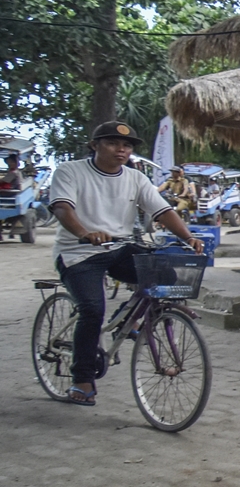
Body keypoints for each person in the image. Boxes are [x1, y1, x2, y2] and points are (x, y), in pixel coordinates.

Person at [48, 121, 207, 406]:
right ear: (94, 146)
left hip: (119, 247)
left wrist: (188, 237)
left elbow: (162, 210)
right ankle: (82, 380)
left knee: (167, 274)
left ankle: (129, 319)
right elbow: (63, 207)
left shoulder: (135, 178)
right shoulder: (70, 171)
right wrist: (85, 233)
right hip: (79, 252)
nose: (121, 149)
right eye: (112, 143)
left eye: (127, 145)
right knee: (92, 310)